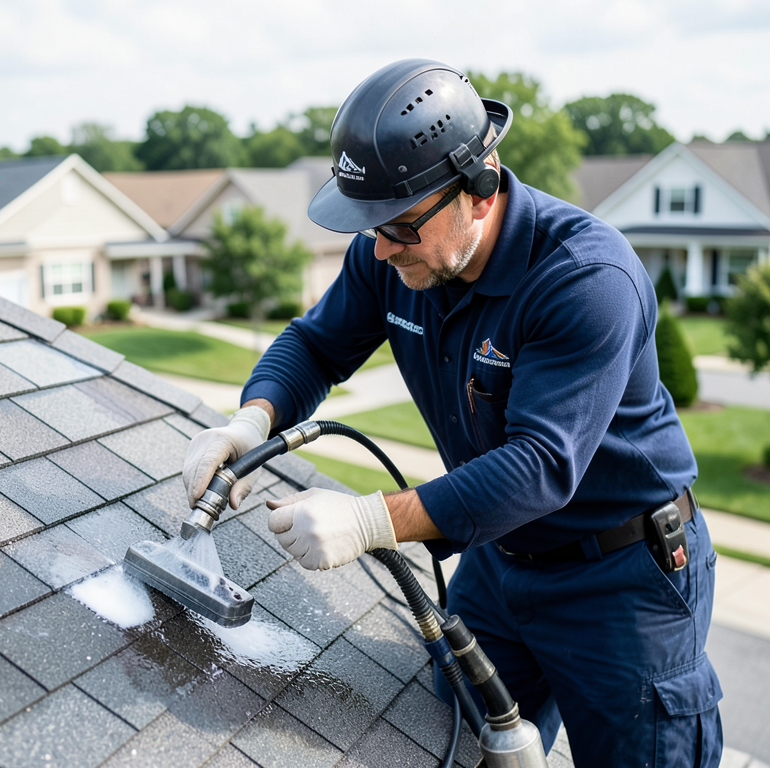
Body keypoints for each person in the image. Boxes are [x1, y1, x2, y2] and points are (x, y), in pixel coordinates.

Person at [181, 59, 722, 767]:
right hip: (501, 560)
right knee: (457, 742)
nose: (377, 249)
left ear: (480, 190)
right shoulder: (395, 250)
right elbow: (316, 344)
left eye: (399, 227)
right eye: (369, 225)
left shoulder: (586, 280)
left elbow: (539, 467)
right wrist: (250, 422)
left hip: (620, 582)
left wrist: (374, 520)